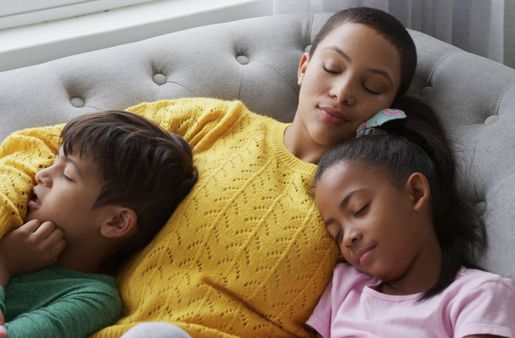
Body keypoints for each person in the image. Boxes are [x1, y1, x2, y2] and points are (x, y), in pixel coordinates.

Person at [0, 7, 418, 337]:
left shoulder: (367, 201)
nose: (342, 93)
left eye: (371, 87)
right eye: (332, 67)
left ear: (389, 109)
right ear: (304, 66)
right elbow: (43, 145)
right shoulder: (219, 122)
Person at [306, 97, 515, 338]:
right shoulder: (346, 286)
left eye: (360, 209)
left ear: (415, 193)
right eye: (336, 234)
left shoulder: (478, 296)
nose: (348, 238)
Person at [0, 111, 197, 338]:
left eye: (66, 174)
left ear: (116, 222)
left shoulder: (92, 298)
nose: (42, 174)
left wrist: (5, 261)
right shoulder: (11, 216)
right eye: (55, 160)